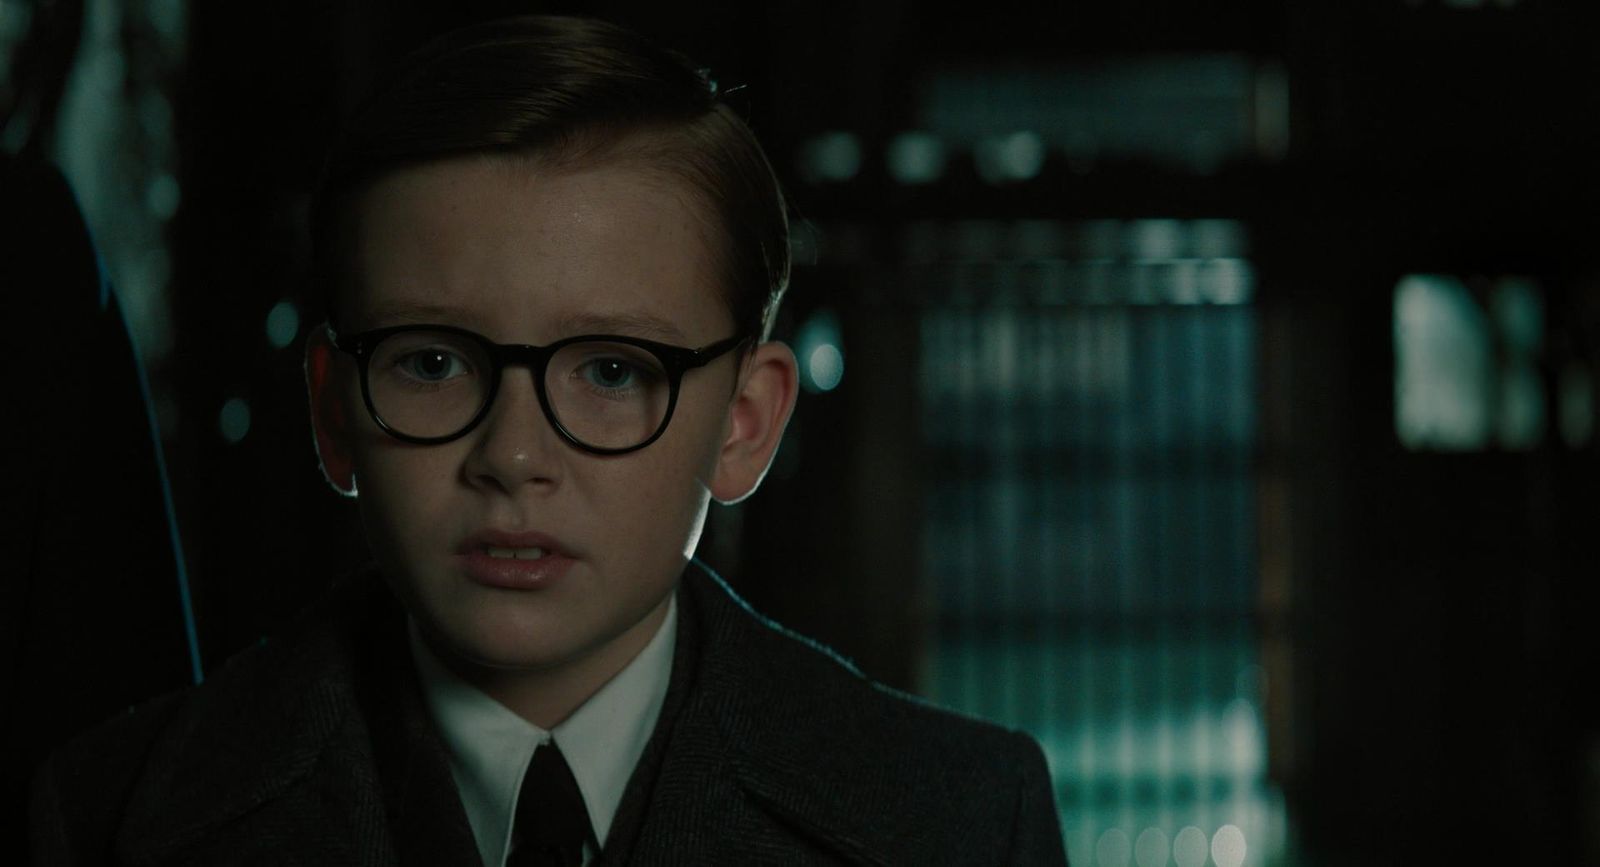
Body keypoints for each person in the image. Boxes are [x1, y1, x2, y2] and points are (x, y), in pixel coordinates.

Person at [29, 15, 1067, 866]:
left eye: (612, 371)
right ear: (333, 413)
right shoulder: (115, 815)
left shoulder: (959, 822)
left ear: (743, 423)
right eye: (432, 364)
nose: (513, 456)